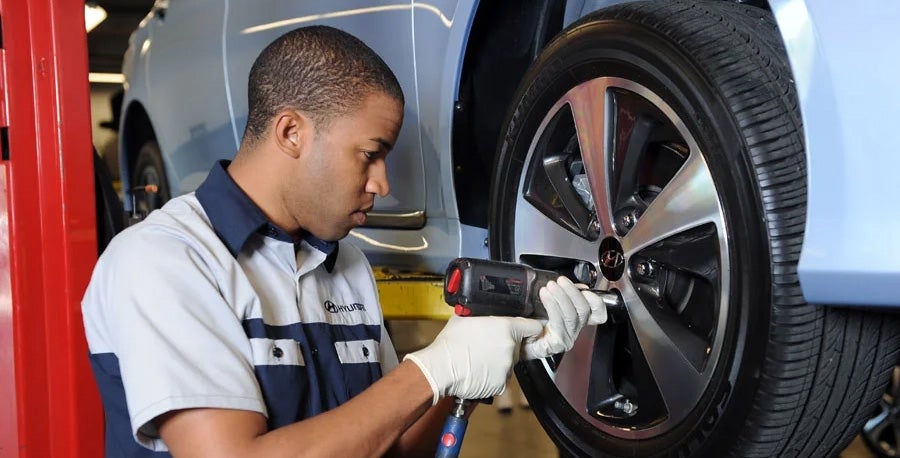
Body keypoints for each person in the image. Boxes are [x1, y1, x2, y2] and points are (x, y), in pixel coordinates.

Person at [82, 25, 607, 457]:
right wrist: (431, 370)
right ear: (291, 133)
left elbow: (388, 445)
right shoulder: (165, 260)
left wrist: (475, 365)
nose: (382, 183)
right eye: (370, 153)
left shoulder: (345, 263)